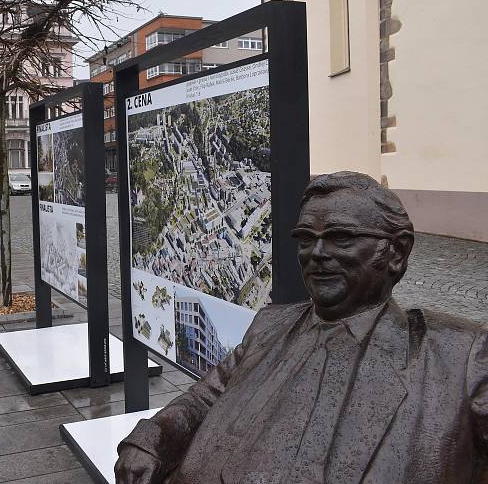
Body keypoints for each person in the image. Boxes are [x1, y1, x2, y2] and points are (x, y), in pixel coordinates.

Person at [115, 171, 488, 483]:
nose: (318, 254)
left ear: (396, 252)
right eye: (306, 240)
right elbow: (205, 396)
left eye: (341, 238)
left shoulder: (460, 358)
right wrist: (153, 437)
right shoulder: (271, 324)